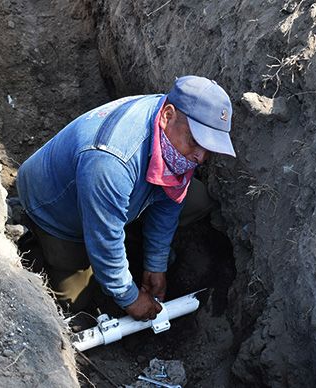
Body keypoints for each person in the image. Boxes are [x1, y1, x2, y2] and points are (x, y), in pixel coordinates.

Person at [15, 75, 235, 321]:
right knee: (75, 302)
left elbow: (169, 201)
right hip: (54, 208)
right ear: (167, 116)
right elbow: (104, 238)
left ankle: (130, 235)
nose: (201, 157)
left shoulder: (175, 132)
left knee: (198, 200)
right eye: (196, 142)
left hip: (112, 192)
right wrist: (128, 297)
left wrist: (155, 264)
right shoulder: (110, 162)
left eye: (209, 148)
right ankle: (34, 240)